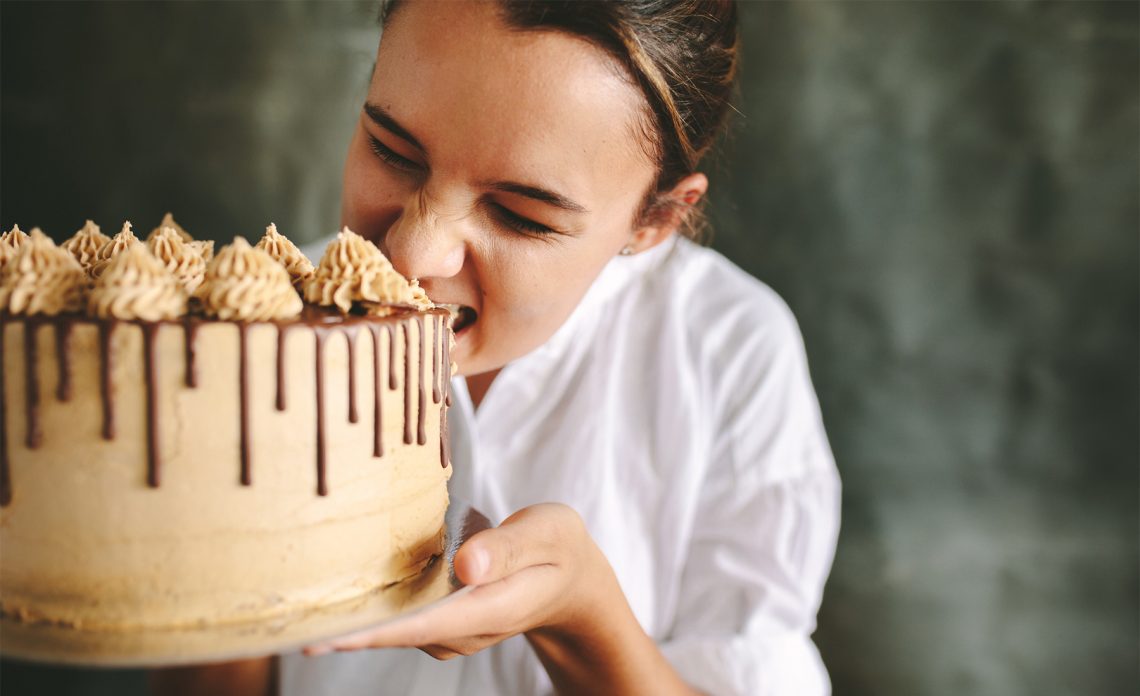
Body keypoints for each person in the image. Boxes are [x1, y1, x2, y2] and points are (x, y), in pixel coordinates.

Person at [152, 1, 839, 694]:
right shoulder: (255, 330)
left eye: (521, 215)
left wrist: (581, 613)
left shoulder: (727, 355)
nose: (411, 254)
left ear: (655, 220)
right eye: (391, 150)